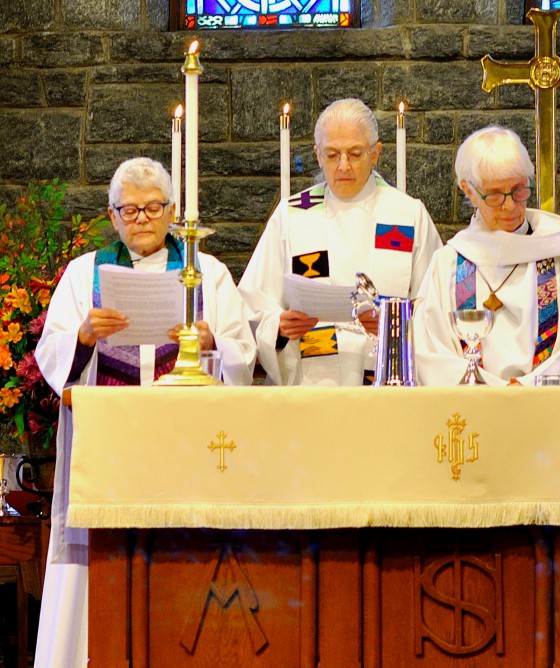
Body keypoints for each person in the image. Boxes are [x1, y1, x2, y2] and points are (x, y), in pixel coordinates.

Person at [33, 157, 257, 666]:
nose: (140, 219)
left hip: (185, 442)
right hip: (110, 443)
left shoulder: (206, 272)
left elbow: (243, 352)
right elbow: (52, 356)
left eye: (152, 208)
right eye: (129, 210)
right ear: (112, 216)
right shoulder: (83, 273)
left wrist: (212, 338)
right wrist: (85, 335)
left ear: (172, 212)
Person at [238, 98, 442, 386]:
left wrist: (395, 325)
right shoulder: (293, 214)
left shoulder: (406, 214)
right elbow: (252, 305)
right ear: (317, 154)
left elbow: (437, 307)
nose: (343, 166)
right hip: (312, 388)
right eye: (332, 155)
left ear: (376, 153)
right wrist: (279, 327)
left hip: (387, 381)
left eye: (355, 153)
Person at [413, 126, 560, 386]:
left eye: (518, 191)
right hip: (473, 410)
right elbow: (429, 347)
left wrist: (528, 386)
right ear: (469, 190)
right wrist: (490, 388)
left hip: (545, 408)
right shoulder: (449, 262)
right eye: (494, 195)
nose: (509, 206)